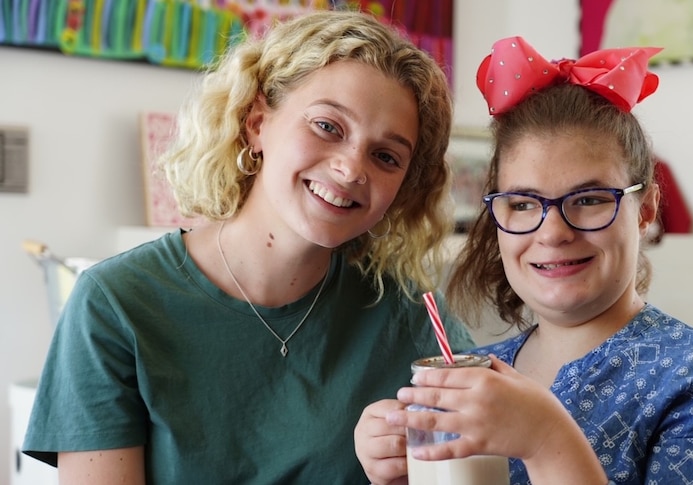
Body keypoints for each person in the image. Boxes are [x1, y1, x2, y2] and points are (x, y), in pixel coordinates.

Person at [23, 10, 475, 484]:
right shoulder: (115, 304)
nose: (351, 169)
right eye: (328, 127)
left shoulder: (410, 316)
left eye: (386, 156)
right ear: (257, 122)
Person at [355, 36, 693, 484]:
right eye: (523, 204)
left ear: (645, 210)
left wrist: (545, 440)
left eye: (589, 199)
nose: (554, 232)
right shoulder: (475, 377)